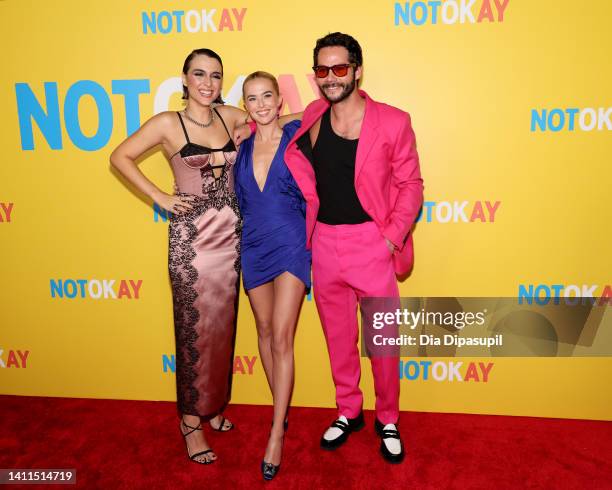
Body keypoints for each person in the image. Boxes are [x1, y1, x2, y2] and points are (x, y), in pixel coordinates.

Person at [284, 32, 424, 463]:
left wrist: (389, 237)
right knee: (338, 338)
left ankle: (388, 418)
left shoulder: (393, 121)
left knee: (382, 340)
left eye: (339, 68)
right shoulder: (311, 114)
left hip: (372, 242)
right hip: (325, 243)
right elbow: (266, 119)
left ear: (357, 70)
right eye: (322, 70)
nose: (330, 78)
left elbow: (411, 186)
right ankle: (349, 410)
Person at [110, 48, 252, 465]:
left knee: (223, 328)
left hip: (231, 238)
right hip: (191, 242)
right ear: (184, 80)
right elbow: (119, 156)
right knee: (194, 332)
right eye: (199, 74)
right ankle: (191, 422)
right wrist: (159, 196)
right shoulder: (168, 123)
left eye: (215, 75)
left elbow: (271, 117)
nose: (207, 82)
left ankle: (215, 407)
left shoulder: (231, 115)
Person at [233, 72, 310, 480]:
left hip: (292, 240)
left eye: (268, 97)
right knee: (263, 329)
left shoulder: (296, 133)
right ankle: (281, 413)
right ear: (244, 105)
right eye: (252, 99)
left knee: (282, 335)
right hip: (253, 244)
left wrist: (282, 119)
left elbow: (322, 108)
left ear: (279, 100)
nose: (261, 105)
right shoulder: (239, 146)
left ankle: (275, 434)